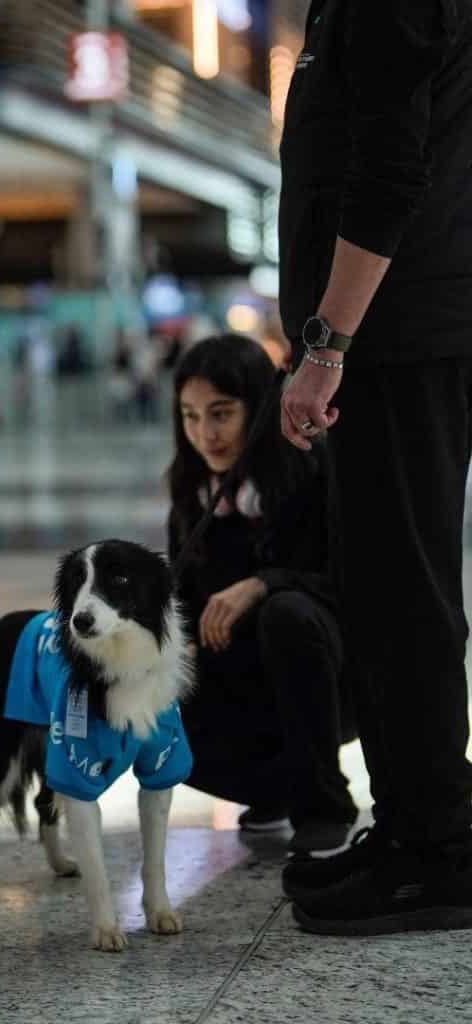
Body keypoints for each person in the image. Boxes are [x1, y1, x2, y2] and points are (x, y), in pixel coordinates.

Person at [277, 2, 472, 935]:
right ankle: (417, 828)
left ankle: (433, 848)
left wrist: (328, 343)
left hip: (397, 337)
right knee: (398, 585)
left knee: (401, 593)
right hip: (406, 331)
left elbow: (389, 169)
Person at [167, 334, 357, 853]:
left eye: (221, 413)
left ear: (258, 409)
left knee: (286, 614)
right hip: (242, 683)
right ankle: (276, 789)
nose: (205, 433)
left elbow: (352, 586)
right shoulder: (193, 493)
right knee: (163, 735)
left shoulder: (312, 474)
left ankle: (323, 802)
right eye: (189, 415)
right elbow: (179, 599)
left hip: (332, 677)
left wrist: (262, 583)